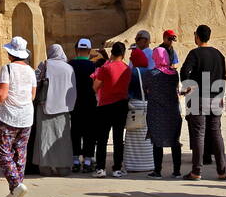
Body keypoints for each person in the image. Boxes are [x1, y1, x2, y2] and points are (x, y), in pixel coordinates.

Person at [0, 37, 38, 197]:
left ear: (10, 53)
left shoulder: (7, 69)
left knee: (2, 152)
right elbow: (32, 95)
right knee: (19, 154)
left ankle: (16, 184)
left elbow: (1, 96)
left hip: (8, 116)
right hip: (26, 116)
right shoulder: (30, 70)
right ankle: (14, 190)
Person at [180, 24, 226, 181]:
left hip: (198, 99)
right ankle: (222, 171)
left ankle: (196, 171)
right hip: (215, 97)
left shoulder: (195, 54)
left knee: (198, 134)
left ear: (197, 36)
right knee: (216, 133)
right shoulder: (218, 54)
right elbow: (224, 76)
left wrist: (188, 86)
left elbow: (184, 71)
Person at [142, 32, 183, 177]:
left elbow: (145, 90)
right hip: (172, 111)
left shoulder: (150, 74)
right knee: (175, 141)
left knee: (157, 141)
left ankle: (157, 171)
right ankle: (177, 171)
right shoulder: (174, 74)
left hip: (156, 112)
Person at [33, 44, 76, 175]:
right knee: (62, 140)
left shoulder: (45, 65)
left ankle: (45, 168)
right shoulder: (69, 68)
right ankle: (63, 167)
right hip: (64, 108)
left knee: (44, 137)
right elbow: (73, 89)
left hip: (45, 106)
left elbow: (35, 81)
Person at [91, 42, 132, 178]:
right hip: (121, 105)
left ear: (112, 53)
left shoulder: (105, 68)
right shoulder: (127, 69)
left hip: (105, 105)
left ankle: (101, 168)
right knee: (118, 138)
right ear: (124, 54)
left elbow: (95, 87)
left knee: (102, 138)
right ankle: (117, 168)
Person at [68, 38, 98, 173]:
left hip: (74, 103)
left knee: (75, 131)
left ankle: (75, 160)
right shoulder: (94, 66)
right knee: (89, 132)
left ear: (76, 49)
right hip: (90, 103)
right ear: (90, 51)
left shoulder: (70, 65)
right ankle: (87, 161)